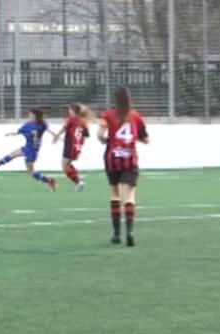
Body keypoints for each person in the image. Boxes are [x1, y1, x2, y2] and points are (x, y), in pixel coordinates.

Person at [98, 87, 150, 247]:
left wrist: (106, 140)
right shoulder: (136, 116)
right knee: (129, 196)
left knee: (115, 193)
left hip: (112, 158)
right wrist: (134, 139)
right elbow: (146, 139)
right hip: (130, 158)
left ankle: (116, 234)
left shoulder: (108, 114)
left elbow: (99, 135)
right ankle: (130, 232)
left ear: (115, 99)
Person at [0, 108, 58, 191]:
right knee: (12, 155)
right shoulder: (27, 124)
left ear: (35, 116)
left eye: (30, 115)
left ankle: (49, 180)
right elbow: (18, 132)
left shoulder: (41, 125)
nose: (29, 116)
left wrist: (56, 137)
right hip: (27, 147)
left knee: (31, 173)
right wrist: (10, 134)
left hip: (33, 151)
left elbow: (50, 131)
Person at [52, 103, 92, 192]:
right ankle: (78, 178)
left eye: (70, 110)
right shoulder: (83, 121)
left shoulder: (72, 119)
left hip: (70, 146)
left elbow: (64, 128)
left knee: (64, 166)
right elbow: (86, 135)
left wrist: (56, 136)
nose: (69, 112)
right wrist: (80, 145)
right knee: (68, 165)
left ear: (73, 111)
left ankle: (78, 181)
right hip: (77, 147)